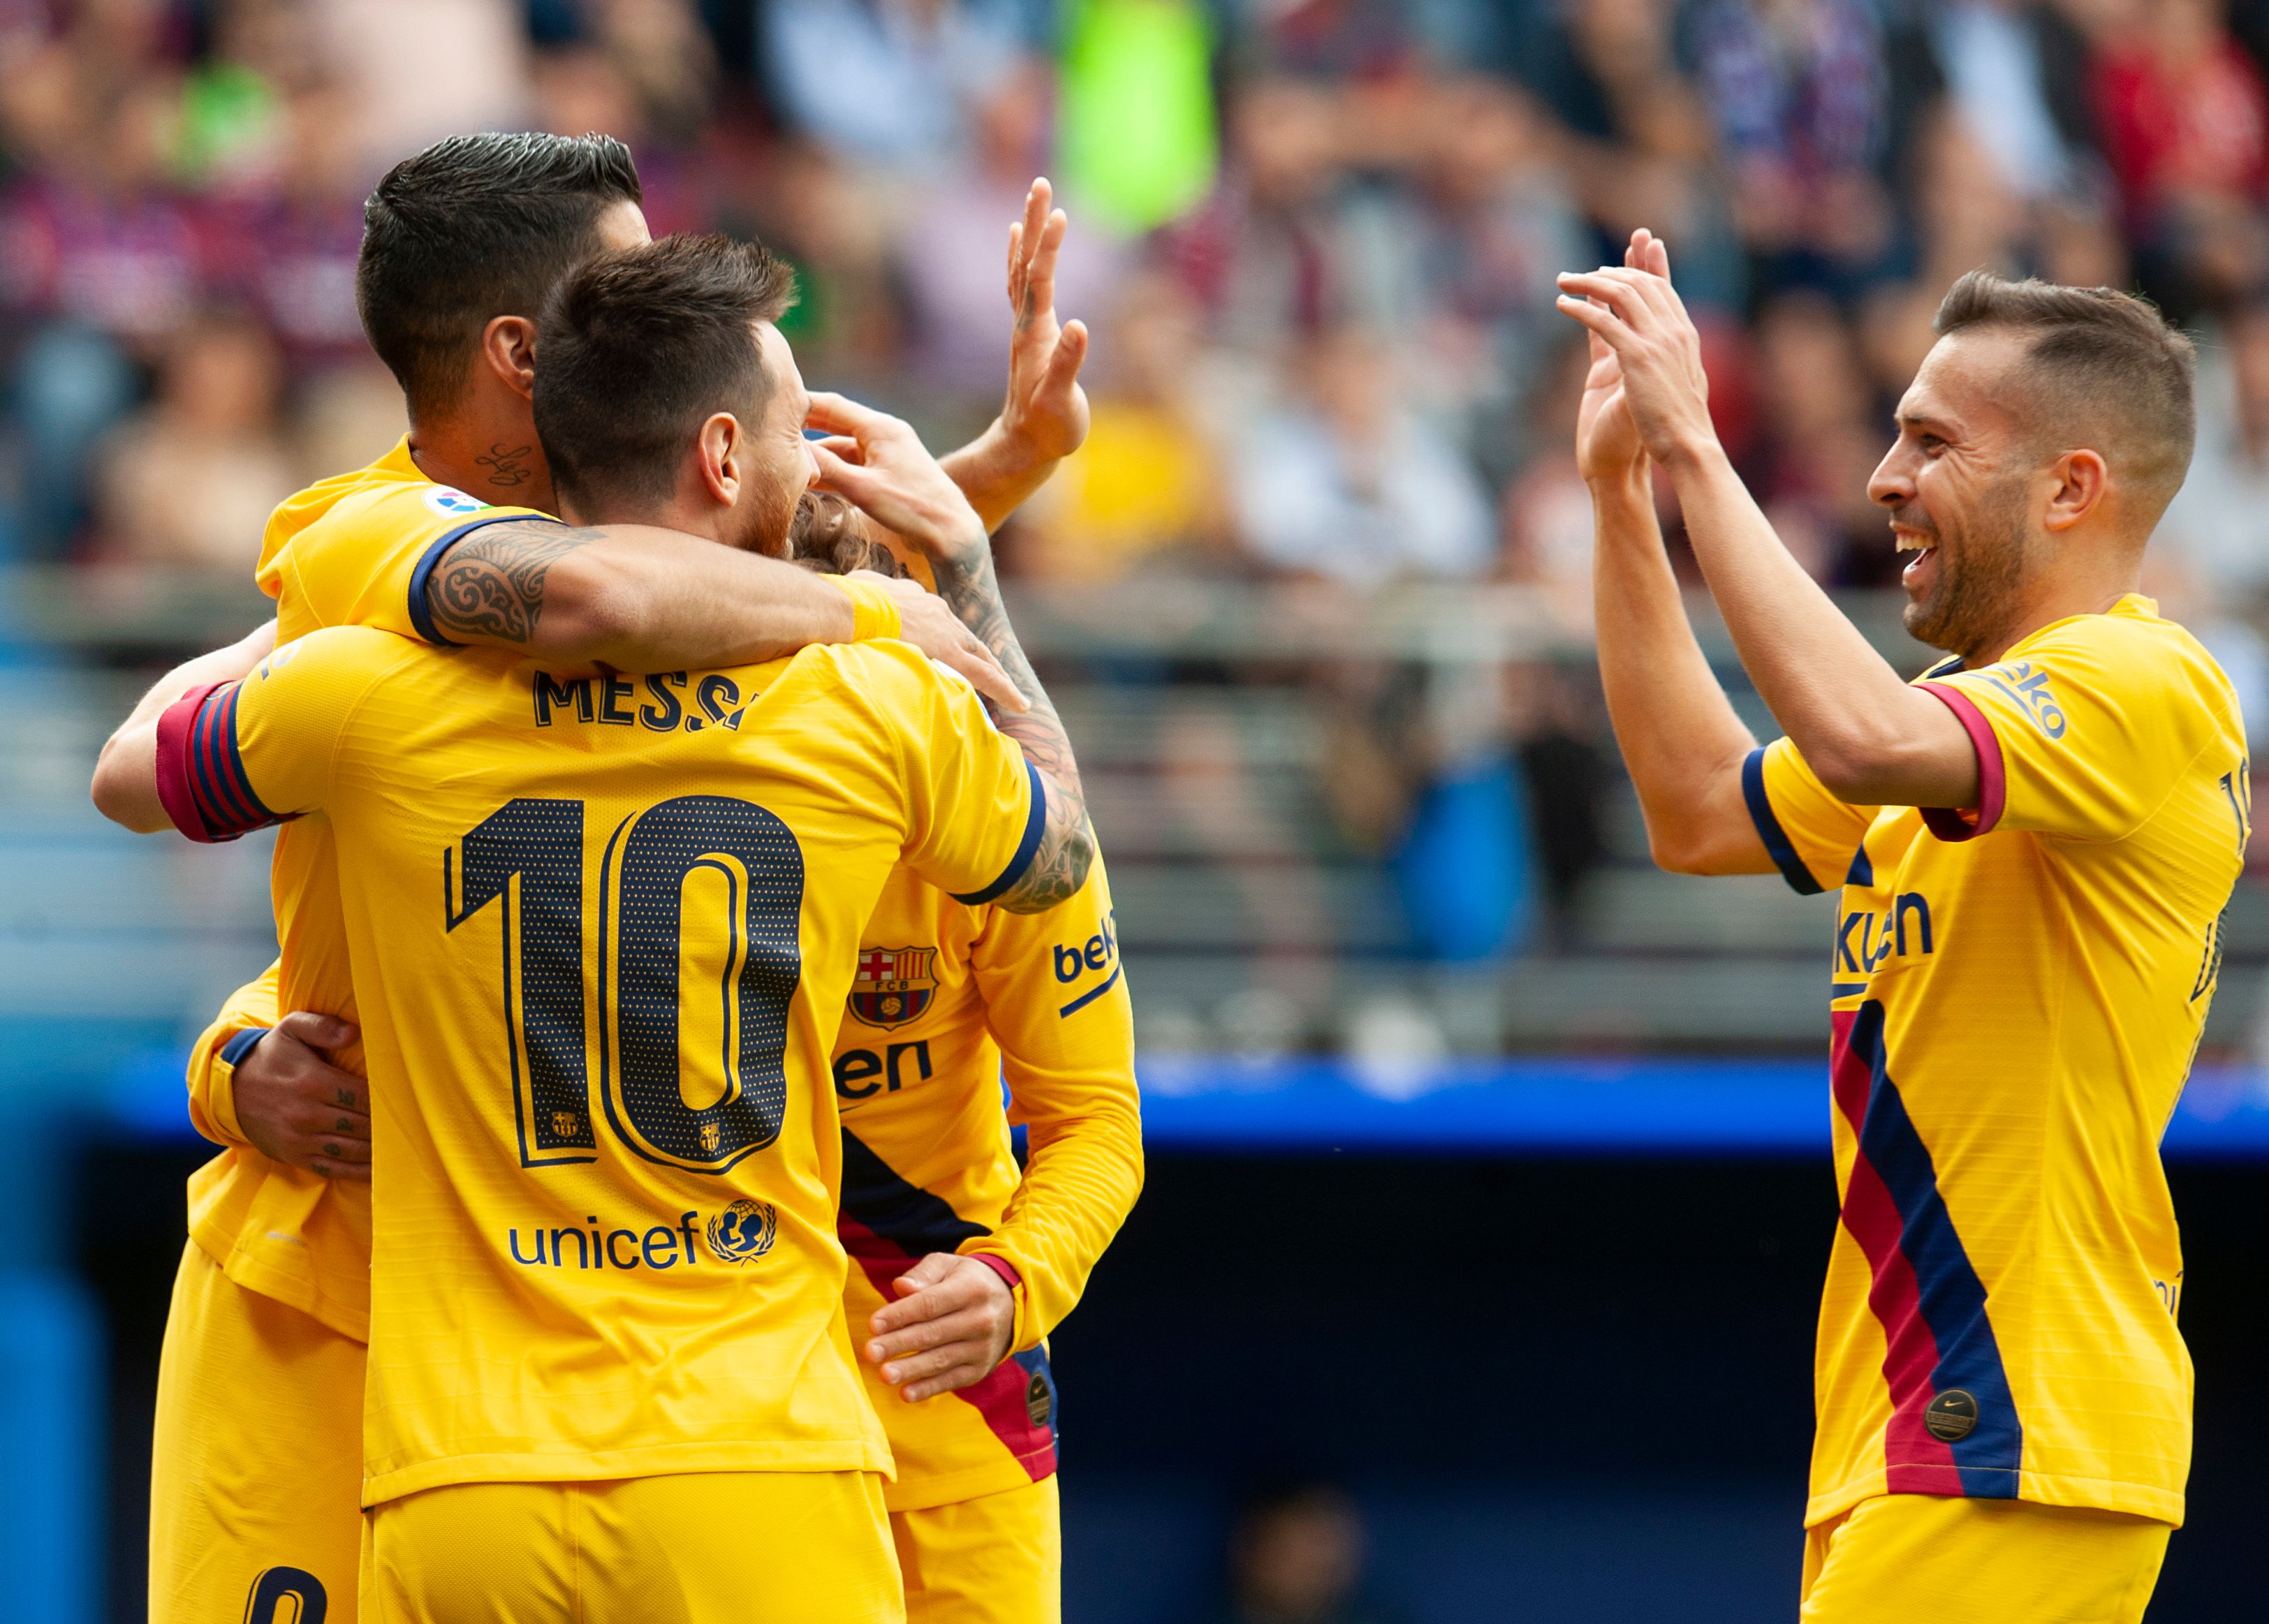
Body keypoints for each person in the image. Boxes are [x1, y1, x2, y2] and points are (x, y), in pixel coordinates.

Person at [109, 129, 1086, 1624]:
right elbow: (609, 600)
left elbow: (724, 553)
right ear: (521, 349)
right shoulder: (377, 550)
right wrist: (232, 1058)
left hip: (587, 1373)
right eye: (626, 280)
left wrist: (984, 485)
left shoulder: (437, 635)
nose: (669, 309)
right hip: (346, 1299)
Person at [1561, 232, 2241, 1621]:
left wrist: (1699, 443)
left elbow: (1861, 737)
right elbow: (1697, 806)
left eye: (1929, 440)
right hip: (1931, 1436)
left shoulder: (2136, 677)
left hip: (2011, 1420)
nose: (1882, 479)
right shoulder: (1959, 718)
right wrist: (1620, 492)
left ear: (2070, 488)